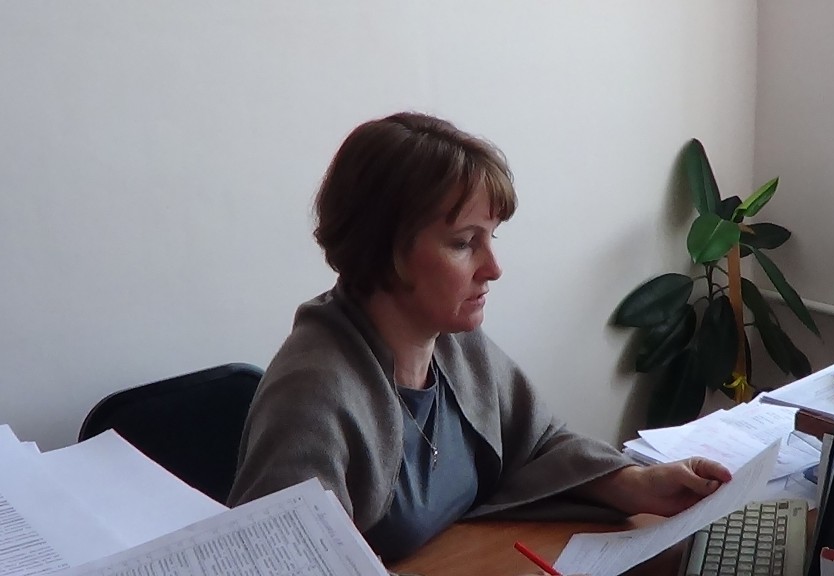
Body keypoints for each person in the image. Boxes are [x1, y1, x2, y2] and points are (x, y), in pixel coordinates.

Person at [227, 111, 732, 565]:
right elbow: (280, 559)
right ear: (382, 249)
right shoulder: (312, 394)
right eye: (465, 243)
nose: (493, 268)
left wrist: (638, 483)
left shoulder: (453, 342)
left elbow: (540, 443)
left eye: (492, 237)